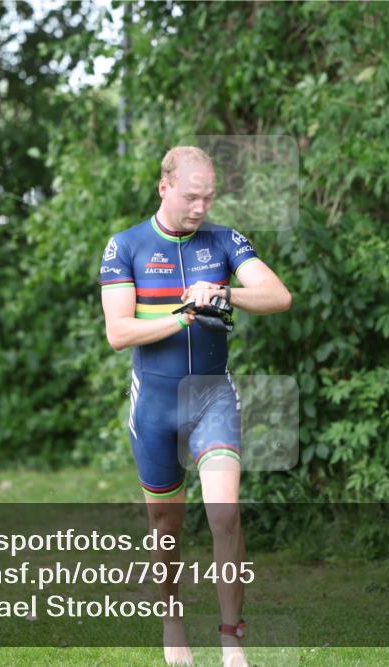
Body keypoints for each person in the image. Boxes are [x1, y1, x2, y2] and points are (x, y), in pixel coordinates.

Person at [99, 147, 292, 667]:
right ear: (164, 188)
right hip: (156, 406)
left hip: (212, 400)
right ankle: (172, 620)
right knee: (166, 527)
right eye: (191, 196)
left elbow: (278, 295)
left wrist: (224, 293)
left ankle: (232, 641)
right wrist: (185, 313)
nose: (201, 206)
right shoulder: (127, 246)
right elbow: (119, 333)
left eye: (208, 196)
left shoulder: (225, 241)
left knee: (223, 514)